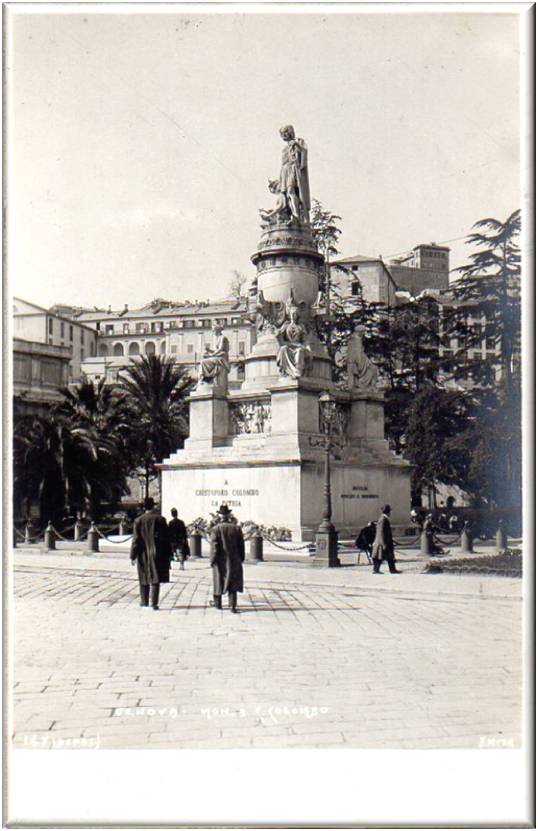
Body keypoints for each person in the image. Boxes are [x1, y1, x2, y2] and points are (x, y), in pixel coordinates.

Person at [130, 497, 172, 610]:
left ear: (144, 507)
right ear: (153, 506)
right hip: (158, 552)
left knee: (143, 575)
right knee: (156, 577)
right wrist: (168, 555)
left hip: (143, 552)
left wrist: (133, 555)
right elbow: (166, 539)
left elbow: (136, 540)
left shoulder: (138, 520)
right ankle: (154, 603)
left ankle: (144, 601)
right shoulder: (161, 519)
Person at [209, 504, 245, 613]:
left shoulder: (216, 529)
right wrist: (241, 558)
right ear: (229, 515)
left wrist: (212, 560)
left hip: (220, 559)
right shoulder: (236, 528)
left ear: (220, 516)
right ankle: (232, 605)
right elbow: (241, 546)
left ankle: (218, 604)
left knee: (218, 580)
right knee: (232, 582)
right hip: (234, 559)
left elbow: (214, 547)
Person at [372, 504, 401, 574]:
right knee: (383, 556)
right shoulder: (383, 519)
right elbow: (381, 532)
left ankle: (390, 569)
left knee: (386, 556)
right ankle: (389, 570)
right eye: (390, 511)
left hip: (383, 541)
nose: (390, 513)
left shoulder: (382, 518)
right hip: (384, 541)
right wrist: (383, 543)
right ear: (388, 512)